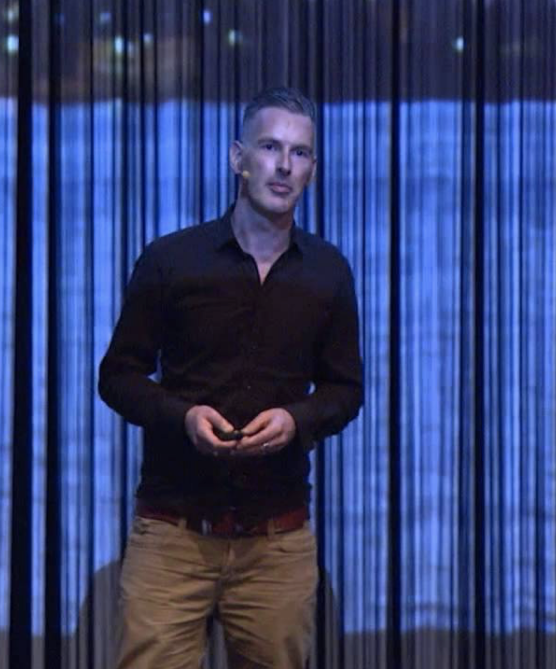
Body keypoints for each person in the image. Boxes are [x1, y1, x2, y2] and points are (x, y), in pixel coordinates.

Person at [98, 86, 363, 669]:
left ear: (312, 170)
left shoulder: (328, 272)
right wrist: (183, 417)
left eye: (300, 153)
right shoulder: (172, 260)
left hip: (277, 541)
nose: (284, 165)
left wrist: (296, 419)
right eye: (270, 147)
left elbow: (346, 391)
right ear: (238, 158)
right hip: (172, 534)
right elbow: (117, 376)